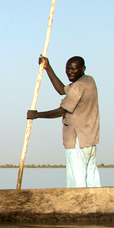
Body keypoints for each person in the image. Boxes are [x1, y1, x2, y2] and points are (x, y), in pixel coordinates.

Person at [27, 55, 101, 188]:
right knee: (91, 178)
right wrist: (47, 67)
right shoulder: (89, 81)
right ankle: (95, 204)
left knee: (77, 178)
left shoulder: (79, 86)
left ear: (83, 68)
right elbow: (62, 90)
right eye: (67, 70)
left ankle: (78, 205)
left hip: (77, 139)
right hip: (90, 139)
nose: (69, 72)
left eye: (73, 69)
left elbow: (62, 111)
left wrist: (36, 115)